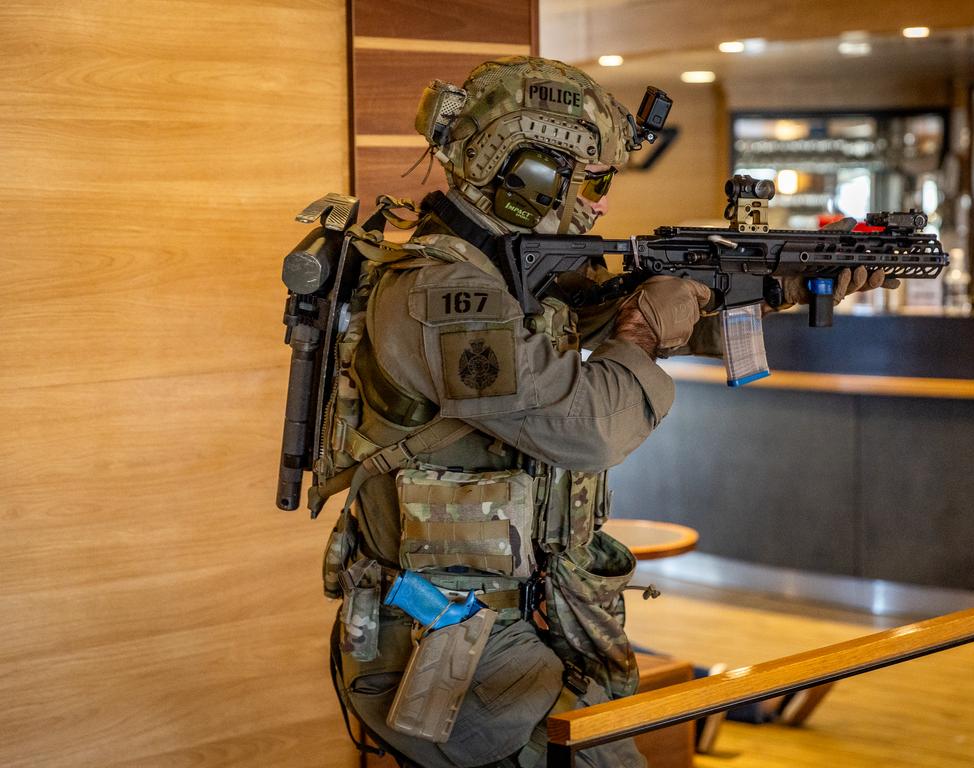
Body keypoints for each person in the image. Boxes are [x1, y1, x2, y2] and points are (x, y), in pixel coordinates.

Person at [313, 56, 889, 768]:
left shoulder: (504, 274)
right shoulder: (442, 292)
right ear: (526, 174)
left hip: (515, 619)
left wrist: (773, 286)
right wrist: (644, 331)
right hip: (449, 643)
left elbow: (595, 322)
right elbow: (584, 425)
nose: (600, 204)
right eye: (591, 180)